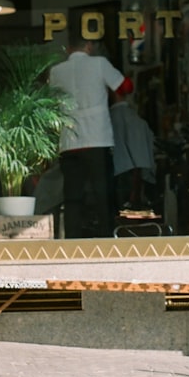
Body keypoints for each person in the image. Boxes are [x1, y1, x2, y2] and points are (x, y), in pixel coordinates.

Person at [49, 33, 132, 238]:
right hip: (97, 139)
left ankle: (73, 241)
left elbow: (50, 102)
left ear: (69, 49)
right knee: (102, 195)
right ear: (88, 46)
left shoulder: (57, 71)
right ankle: (105, 239)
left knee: (72, 199)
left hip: (69, 142)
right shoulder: (100, 64)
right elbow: (125, 87)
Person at [109, 85, 155, 211]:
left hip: (113, 174)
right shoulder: (137, 121)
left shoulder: (108, 118)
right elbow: (141, 158)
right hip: (131, 175)